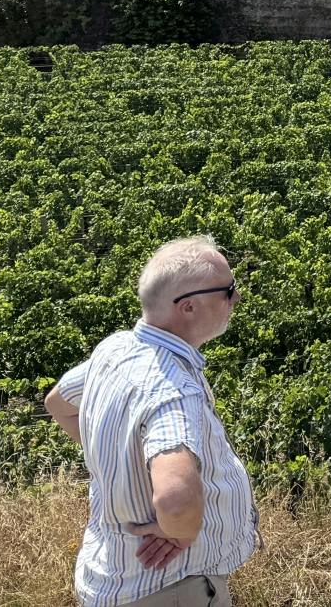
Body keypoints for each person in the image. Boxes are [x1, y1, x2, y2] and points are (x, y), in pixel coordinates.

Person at [44, 237, 257, 607]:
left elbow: (58, 403)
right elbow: (175, 501)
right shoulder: (172, 390)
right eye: (228, 291)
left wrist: (116, 460)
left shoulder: (115, 349)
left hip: (113, 575)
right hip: (169, 587)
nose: (236, 299)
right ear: (188, 306)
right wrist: (184, 531)